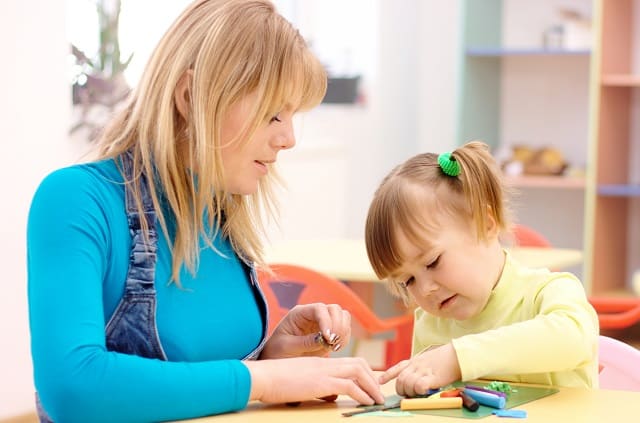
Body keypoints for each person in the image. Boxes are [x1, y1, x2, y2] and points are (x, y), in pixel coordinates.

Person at [27, 1, 385, 422]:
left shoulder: (223, 214)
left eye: (291, 116)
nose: (288, 138)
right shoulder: (76, 199)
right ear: (190, 97)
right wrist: (264, 381)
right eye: (273, 114)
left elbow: (207, 381)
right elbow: (73, 388)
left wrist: (273, 356)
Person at [364, 141, 599, 398]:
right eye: (408, 281)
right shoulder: (430, 325)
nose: (425, 289)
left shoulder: (548, 292)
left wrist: (458, 357)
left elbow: (574, 339)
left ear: (486, 224)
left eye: (433, 262)